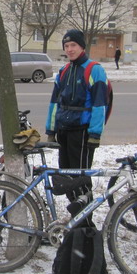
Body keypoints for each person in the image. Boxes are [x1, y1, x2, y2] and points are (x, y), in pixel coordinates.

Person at [45, 29, 109, 225]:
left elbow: (100, 104)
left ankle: (86, 223)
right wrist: (51, 130)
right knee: (66, 179)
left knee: (80, 179)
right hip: (64, 131)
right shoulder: (64, 71)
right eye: (66, 46)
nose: (70, 49)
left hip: (81, 133)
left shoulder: (94, 70)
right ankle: (76, 218)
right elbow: (54, 103)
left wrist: (95, 134)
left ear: (82, 46)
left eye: (73, 45)